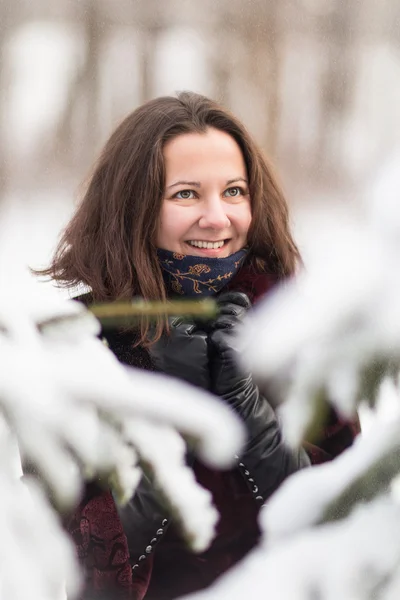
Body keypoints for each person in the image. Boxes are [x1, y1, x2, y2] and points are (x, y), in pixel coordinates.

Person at [40, 92, 360, 600]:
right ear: (133, 207)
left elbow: (354, 522)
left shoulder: (297, 326)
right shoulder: (75, 342)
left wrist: (252, 420)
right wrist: (172, 414)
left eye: (234, 191)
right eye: (186, 194)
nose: (217, 218)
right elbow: (74, 565)